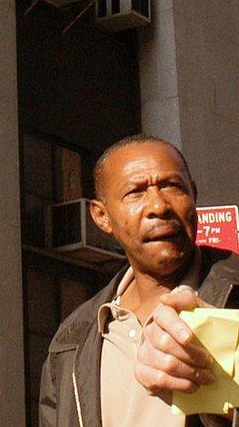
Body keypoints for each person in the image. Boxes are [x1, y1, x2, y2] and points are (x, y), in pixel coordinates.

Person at [39, 135, 239, 427]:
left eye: (172, 186)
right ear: (102, 216)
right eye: (135, 192)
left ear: (193, 194)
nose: (159, 205)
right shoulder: (71, 340)